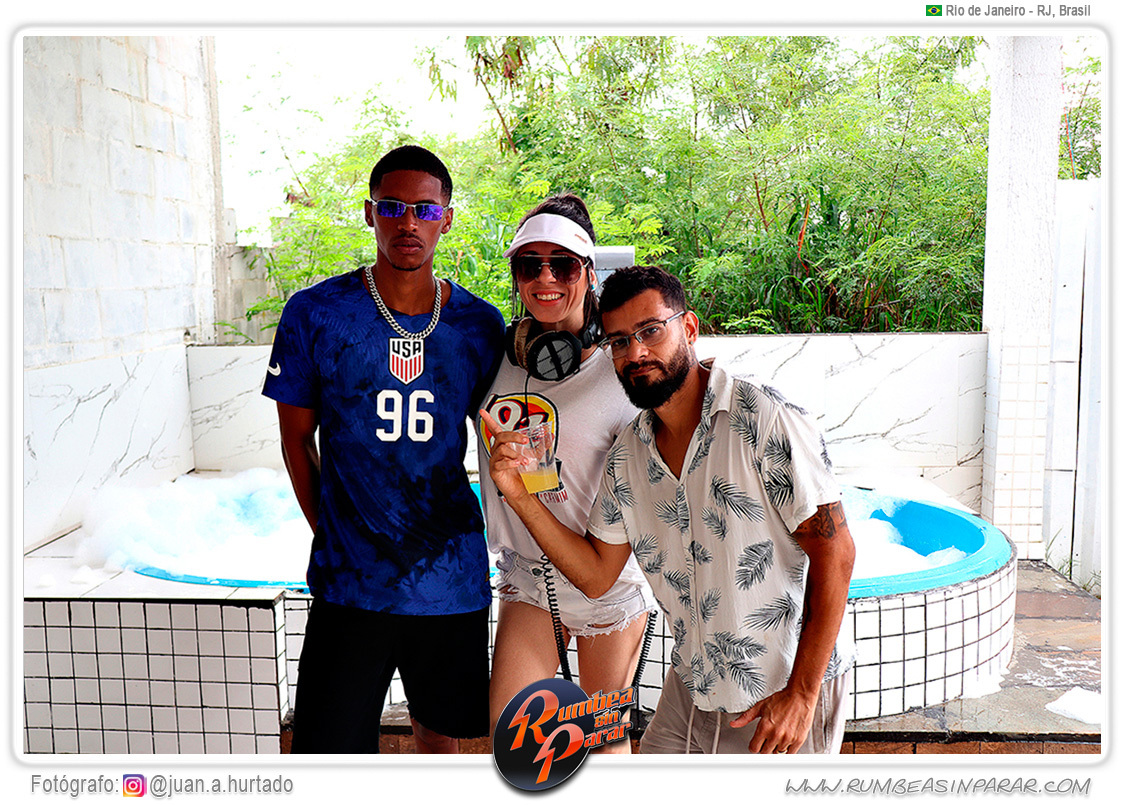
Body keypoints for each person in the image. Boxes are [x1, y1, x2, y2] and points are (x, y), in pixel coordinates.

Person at [484, 265, 855, 754]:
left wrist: (803, 695)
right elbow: (595, 575)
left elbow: (837, 552)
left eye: (651, 331)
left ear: (690, 328)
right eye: (619, 341)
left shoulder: (762, 417)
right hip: (694, 684)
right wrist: (519, 494)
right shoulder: (628, 455)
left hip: (779, 690)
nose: (636, 353)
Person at [262, 145, 506, 753]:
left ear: (446, 219)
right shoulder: (316, 314)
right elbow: (295, 439)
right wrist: (334, 531)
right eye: (393, 207)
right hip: (349, 583)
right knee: (329, 755)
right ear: (370, 214)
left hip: (449, 579)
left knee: (442, 745)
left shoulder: (478, 326)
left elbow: (505, 439)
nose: (408, 222)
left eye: (425, 209)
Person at [476, 195, 656, 753]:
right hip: (532, 579)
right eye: (530, 265)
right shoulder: (495, 357)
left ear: (589, 272)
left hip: (609, 581)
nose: (546, 278)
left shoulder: (625, 365)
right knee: (513, 743)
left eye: (564, 265)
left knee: (603, 746)